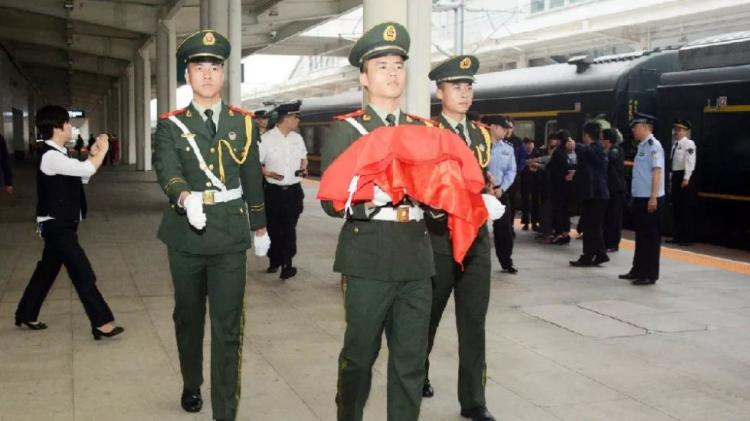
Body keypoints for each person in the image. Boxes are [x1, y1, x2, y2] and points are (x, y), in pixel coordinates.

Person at [320, 22, 436, 421]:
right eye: (382, 66)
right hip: (368, 255)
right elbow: (331, 201)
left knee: (411, 360)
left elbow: (437, 191)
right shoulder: (347, 130)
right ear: (364, 78)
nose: (392, 73)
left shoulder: (423, 131)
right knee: (359, 355)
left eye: (398, 66)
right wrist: (370, 199)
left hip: (416, 257)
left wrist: (453, 201)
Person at [152, 30, 269, 421]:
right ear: (187, 74)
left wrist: (260, 226)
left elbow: (251, 177)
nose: (207, 74)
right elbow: (167, 169)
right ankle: (191, 382)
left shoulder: (244, 123)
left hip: (230, 236)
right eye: (199, 67)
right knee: (188, 318)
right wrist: (185, 197)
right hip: (185, 235)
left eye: (214, 67)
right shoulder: (171, 125)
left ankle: (225, 410)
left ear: (224, 74)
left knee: (228, 326)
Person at [423, 55, 498, 421]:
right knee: (427, 318)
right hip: (438, 238)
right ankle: (417, 372)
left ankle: (473, 400)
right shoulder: (426, 133)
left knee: (473, 323)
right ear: (440, 92)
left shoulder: (481, 134)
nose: (465, 93)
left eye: (469, 87)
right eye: (456, 87)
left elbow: (479, 178)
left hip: (476, 240)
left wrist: (487, 196)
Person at [14, 105, 124, 340]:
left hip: (62, 223)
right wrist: (103, 149)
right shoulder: (51, 156)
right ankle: (102, 322)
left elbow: (82, 175)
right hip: (56, 225)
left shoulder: (61, 153)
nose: (69, 127)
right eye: (66, 123)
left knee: (47, 271)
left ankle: (26, 313)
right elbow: (88, 170)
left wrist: (94, 153)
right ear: (56, 128)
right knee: (82, 271)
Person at [259, 100, 308, 279]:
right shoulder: (266, 139)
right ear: (287, 118)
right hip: (273, 193)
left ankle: (288, 263)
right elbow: (256, 163)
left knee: (289, 228)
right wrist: (267, 173)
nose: (298, 121)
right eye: (296, 117)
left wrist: (303, 167)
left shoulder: (297, 139)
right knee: (274, 228)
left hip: (294, 192)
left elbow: (303, 158)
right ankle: (275, 259)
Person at [619, 113, 665, 286]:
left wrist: (653, 197)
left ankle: (649, 274)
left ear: (645, 127)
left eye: (635, 127)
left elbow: (657, 172)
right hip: (641, 197)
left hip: (650, 198)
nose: (633, 130)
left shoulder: (654, 146)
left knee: (650, 237)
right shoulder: (642, 146)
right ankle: (637, 269)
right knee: (641, 236)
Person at [569, 121, 610, 267]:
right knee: (592, 226)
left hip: (596, 195)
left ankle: (588, 256)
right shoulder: (596, 149)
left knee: (590, 226)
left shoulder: (596, 148)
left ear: (586, 135)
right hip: (594, 194)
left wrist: (575, 145)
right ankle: (600, 254)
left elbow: (589, 152)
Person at [483, 115, 518, 274]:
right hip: (480, 191)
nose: (506, 131)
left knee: (505, 229)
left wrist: (501, 189)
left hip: (499, 192)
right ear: (494, 127)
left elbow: (511, 171)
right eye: (504, 128)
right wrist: (485, 187)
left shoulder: (508, 149)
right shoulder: (480, 145)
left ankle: (506, 262)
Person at [667, 119, 697, 246]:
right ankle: (678, 236)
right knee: (676, 207)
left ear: (685, 131)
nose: (677, 132)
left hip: (684, 177)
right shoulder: (675, 144)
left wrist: (686, 178)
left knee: (685, 208)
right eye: (676, 129)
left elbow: (690, 161)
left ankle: (687, 238)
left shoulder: (689, 144)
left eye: (680, 129)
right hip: (676, 176)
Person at [548, 130, 576, 245]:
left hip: (558, 185)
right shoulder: (570, 153)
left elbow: (550, 167)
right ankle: (565, 233)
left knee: (558, 210)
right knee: (565, 210)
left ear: (559, 141)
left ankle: (558, 234)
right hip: (568, 186)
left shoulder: (558, 152)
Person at [602, 128, 626, 252]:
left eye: (602, 139)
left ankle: (612, 244)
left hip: (616, 189)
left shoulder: (616, 150)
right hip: (610, 188)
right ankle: (606, 241)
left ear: (608, 140)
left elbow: (610, 157)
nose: (601, 141)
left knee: (614, 217)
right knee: (608, 216)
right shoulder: (609, 149)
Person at [520, 138, 540, 232]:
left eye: (531, 145)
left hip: (536, 181)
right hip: (525, 180)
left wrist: (535, 166)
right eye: (527, 145)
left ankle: (535, 222)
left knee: (535, 202)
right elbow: (519, 166)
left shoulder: (537, 153)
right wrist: (525, 165)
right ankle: (526, 223)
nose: (529, 147)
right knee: (525, 202)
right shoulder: (522, 154)